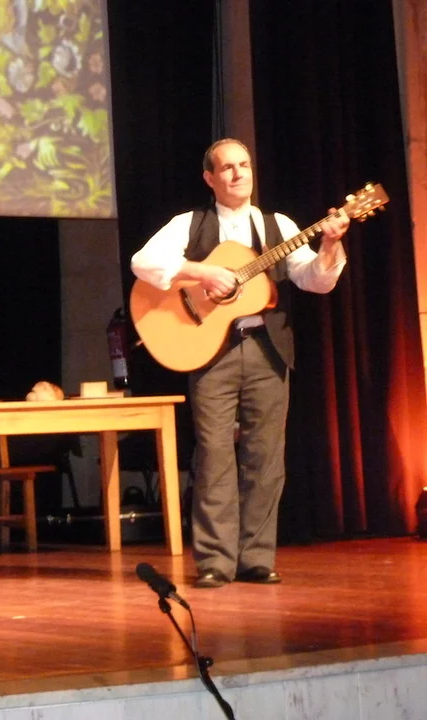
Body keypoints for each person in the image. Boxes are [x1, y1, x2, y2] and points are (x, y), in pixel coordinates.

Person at [130, 138, 349, 588]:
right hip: (211, 351)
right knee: (213, 455)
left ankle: (256, 557)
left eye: (244, 165)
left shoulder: (278, 225)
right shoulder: (190, 223)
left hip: (267, 349)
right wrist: (203, 272)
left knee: (265, 457)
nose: (237, 174)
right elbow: (143, 262)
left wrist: (329, 244)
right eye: (227, 167)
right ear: (209, 178)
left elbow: (315, 280)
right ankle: (215, 560)